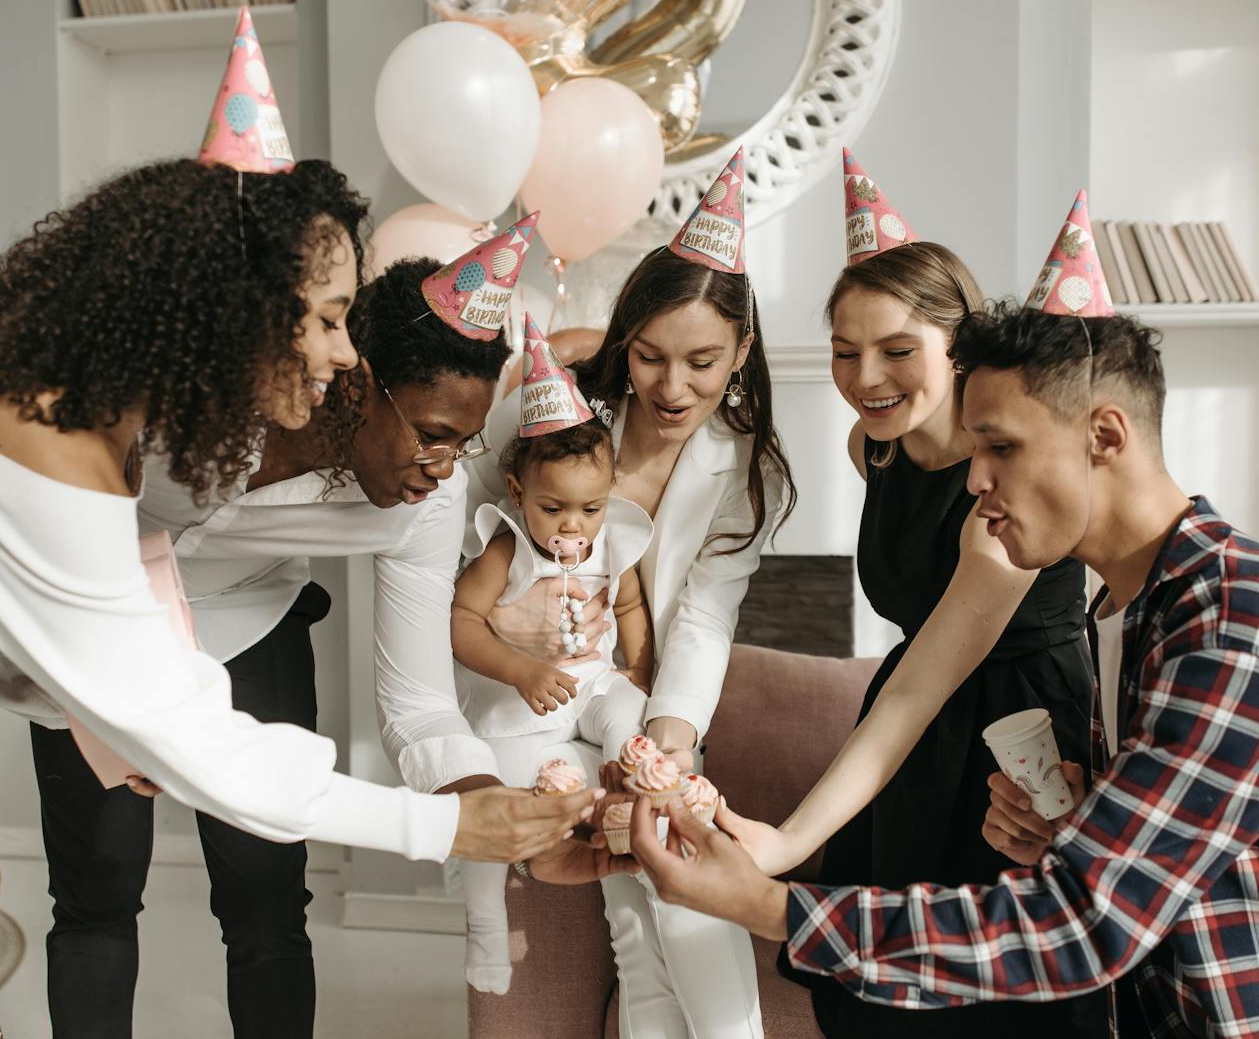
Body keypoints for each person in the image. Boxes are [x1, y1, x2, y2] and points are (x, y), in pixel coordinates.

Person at [0, 155, 611, 1039]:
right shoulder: (65, 444)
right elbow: (192, 741)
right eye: (332, 320)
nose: (345, 352)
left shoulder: (70, 379)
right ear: (241, 313)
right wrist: (447, 828)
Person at [628, 203, 1259, 1038]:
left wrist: (772, 905)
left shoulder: (1239, 635)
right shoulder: (1135, 611)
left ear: (1104, 435)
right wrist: (1078, 828)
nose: (972, 479)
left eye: (1001, 448)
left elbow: (1078, 928)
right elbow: (1173, 870)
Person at [717, 154, 1101, 1035]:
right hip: (917, 724)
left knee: (982, 991)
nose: (866, 377)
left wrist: (785, 842)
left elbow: (920, 692)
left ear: (958, 347)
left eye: (897, 350)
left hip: (1015, 732)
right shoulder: (872, 450)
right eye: (846, 352)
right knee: (880, 992)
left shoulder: (996, 498)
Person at [442, 148, 796, 1037]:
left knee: (671, 880)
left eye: (704, 364)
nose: (673, 389)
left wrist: (665, 740)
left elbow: (704, 612)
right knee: (630, 911)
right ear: (621, 344)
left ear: (743, 351)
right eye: (649, 358)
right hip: (519, 694)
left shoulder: (747, 470)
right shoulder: (556, 412)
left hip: (636, 698)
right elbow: (465, 529)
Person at [451, 316, 657, 994]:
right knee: (491, 809)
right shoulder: (505, 549)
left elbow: (628, 608)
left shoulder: (609, 541)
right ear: (517, 494)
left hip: (590, 685)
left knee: (625, 706)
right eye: (554, 507)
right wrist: (520, 669)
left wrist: (637, 668)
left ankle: (634, 766)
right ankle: (485, 928)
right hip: (521, 708)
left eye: (591, 508)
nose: (574, 526)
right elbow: (461, 621)